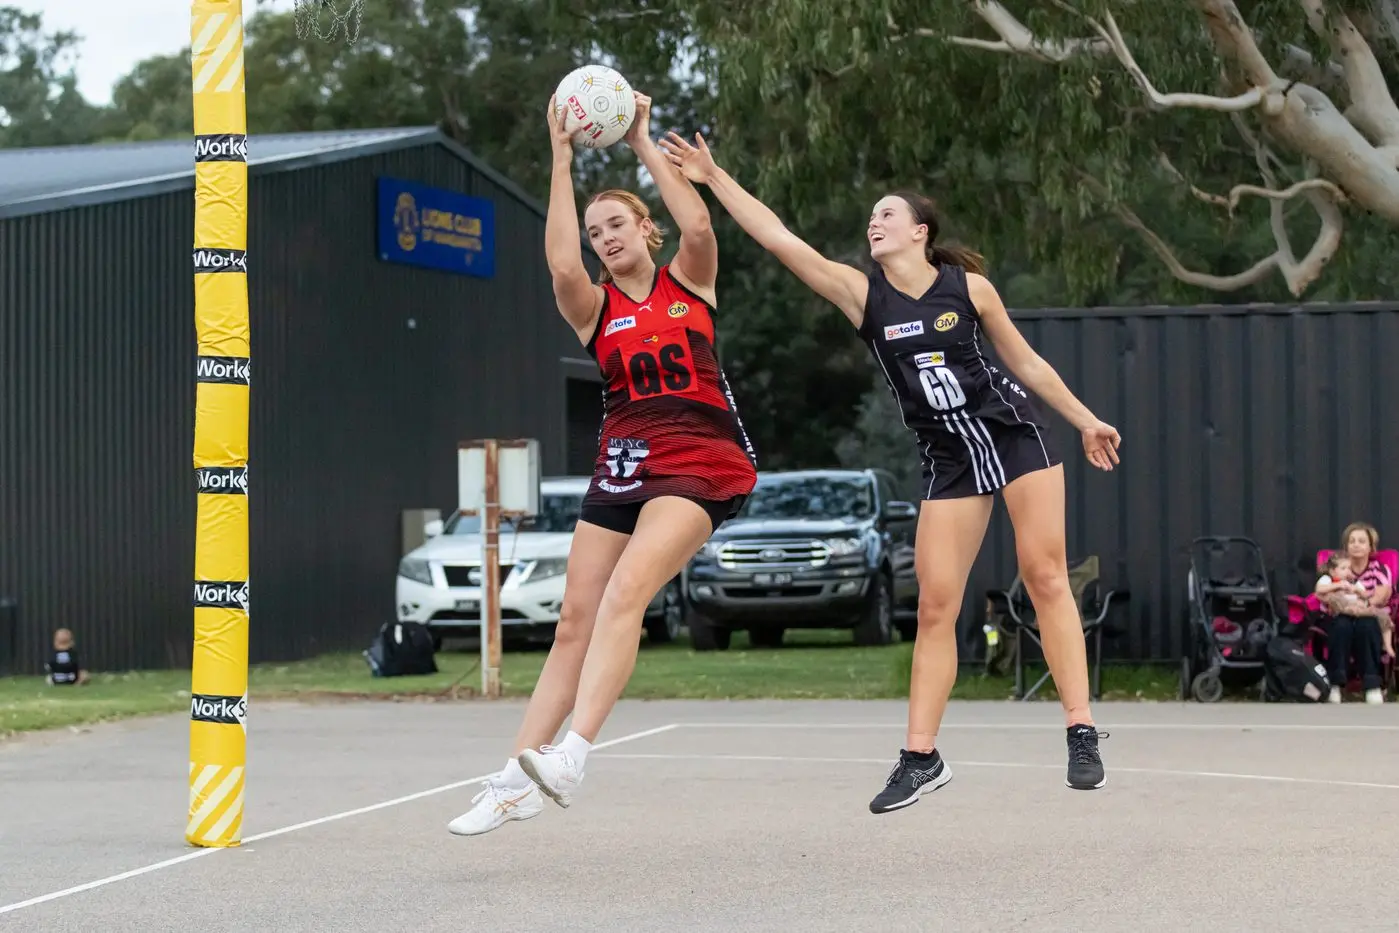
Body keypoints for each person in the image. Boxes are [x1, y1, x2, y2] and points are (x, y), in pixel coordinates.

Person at [657, 131, 1121, 809]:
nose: (873, 223)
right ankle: (921, 757)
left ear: (919, 232)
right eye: (870, 216)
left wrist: (1084, 419)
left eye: (886, 214)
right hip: (947, 457)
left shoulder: (968, 289)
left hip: (1013, 434)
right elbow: (780, 239)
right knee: (935, 605)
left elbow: (1026, 363)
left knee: (1045, 574)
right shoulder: (864, 296)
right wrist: (712, 175)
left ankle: (1080, 731)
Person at [447, 94, 757, 835]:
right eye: (595, 232)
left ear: (645, 228)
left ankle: (573, 755)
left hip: (701, 462)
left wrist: (643, 139)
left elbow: (699, 225)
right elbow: (561, 264)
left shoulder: (690, 281)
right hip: (623, 464)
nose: (604, 238)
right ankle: (516, 777)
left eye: (616, 223)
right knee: (572, 623)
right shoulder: (595, 309)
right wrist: (560, 158)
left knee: (626, 592)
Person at [1320, 522, 1391, 704]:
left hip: (1367, 612)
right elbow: (1323, 593)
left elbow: (1380, 597)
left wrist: (1362, 606)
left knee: (1366, 626)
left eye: (1361, 541)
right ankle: (1336, 684)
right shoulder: (1338, 568)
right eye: (1352, 541)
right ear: (1346, 546)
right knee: (1341, 625)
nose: (1356, 545)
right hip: (1341, 612)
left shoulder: (1379, 569)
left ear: (1371, 547)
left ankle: (1372, 685)